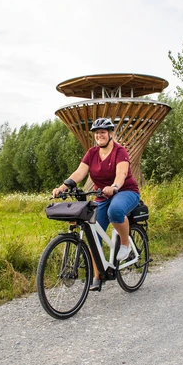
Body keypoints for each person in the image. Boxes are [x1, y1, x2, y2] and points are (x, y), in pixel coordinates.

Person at [52, 117, 140, 290]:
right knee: (92, 235)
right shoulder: (92, 153)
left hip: (125, 191)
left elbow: (121, 174)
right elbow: (80, 173)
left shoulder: (120, 151)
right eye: (96, 133)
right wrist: (63, 187)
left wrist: (114, 187)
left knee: (115, 211)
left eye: (102, 132)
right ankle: (98, 275)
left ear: (110, 134)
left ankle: (125, 243)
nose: (99, 135)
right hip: (101, 195)